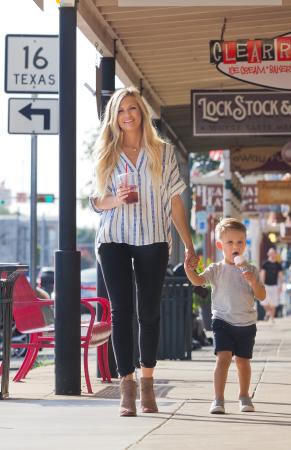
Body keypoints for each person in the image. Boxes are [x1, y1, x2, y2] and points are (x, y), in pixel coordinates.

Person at [90, 87, 198, 417]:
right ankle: (127, 387)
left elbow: (176, 201)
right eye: (121, 110)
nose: (127, 115)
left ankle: (148, 384)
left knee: (148, 312)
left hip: (153, 237)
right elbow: (95, 201)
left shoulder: (162, 153)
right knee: (121, 312)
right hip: (114, 239)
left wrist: (189, 245)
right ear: (114, 116)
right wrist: (115, 200)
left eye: (133, 108)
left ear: (141, 113)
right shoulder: (106, 152)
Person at [184, 218, 266, 414]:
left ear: (245, 245)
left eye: (239, 242)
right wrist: (189, 269)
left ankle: (244, 395)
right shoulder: (216, 269)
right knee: (223, 358)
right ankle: (218, 399)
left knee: (243, 362)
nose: (235, 246)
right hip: (222, 320)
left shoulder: (251, 270)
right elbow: (198, 280)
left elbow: (262, 296)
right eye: (230, 242)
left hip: (246, 323)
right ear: (221, 245)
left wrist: (253, 282)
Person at [259, 248, 284, 322]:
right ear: (268, 254)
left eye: (273, 253)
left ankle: (272, 318)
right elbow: (262, 274)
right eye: (271, 253)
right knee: (264, 302)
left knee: (274, 302)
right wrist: (262, 285)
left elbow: (281, 276)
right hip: (266, 285)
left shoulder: (278, 265)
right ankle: (268, 312)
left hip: (274, 286)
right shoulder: (265, 264)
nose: (272, 254)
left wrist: (281, 286)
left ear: (275, 254)